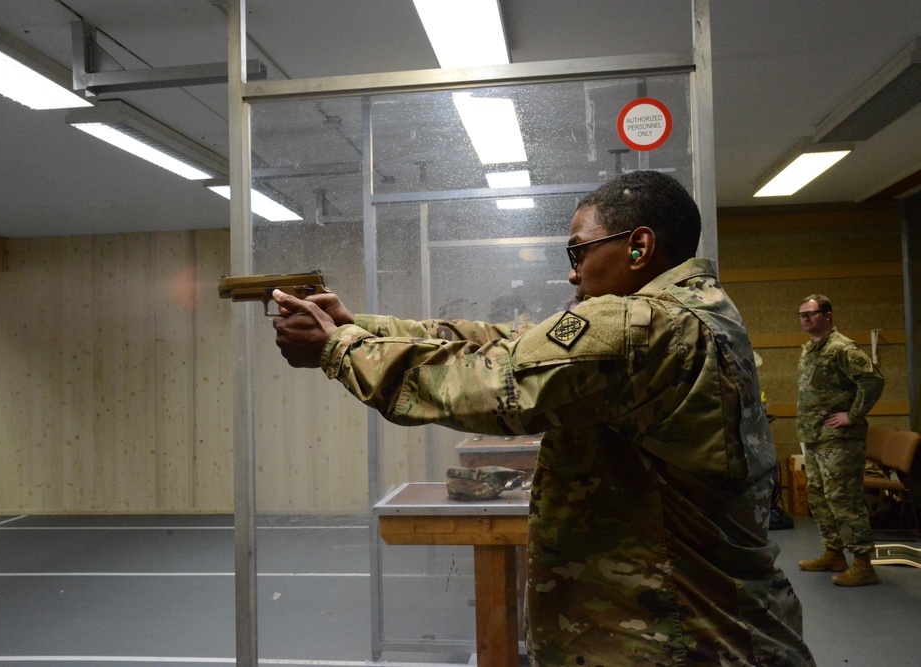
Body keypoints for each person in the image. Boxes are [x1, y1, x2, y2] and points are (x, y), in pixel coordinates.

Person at [273, 170, 814, 666]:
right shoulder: (692, 314)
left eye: (579, 252)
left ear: (639, 247)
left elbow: (492, 382)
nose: (573, 273)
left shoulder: (645, 325)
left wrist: (339, 348)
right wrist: (361, 326)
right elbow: (512, 344)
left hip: (677, 641)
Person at [796, 295, 885, 586]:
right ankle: (834, 552)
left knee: (843, 499)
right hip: (815, 437)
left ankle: (862, 564)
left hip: (840, 440)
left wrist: (853, 415)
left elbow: (873, 381)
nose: (805, 319)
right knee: (820, 497)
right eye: (802, 315)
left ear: (828, 315)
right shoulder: (810, 349)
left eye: (811, 313)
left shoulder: (842, 348)